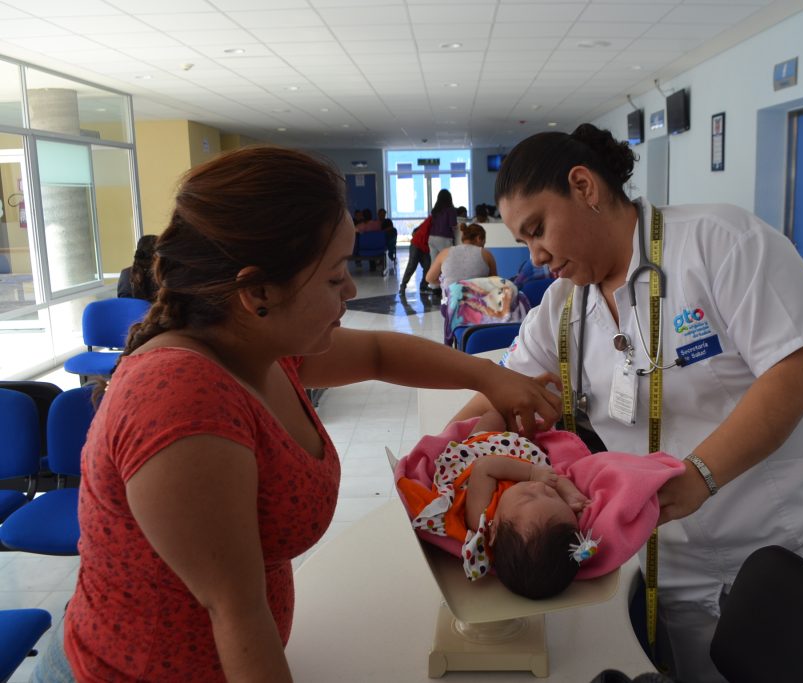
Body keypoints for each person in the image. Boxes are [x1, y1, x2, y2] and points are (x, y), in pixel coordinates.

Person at [31, 146, 561, 683]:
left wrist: (493, 378)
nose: (352, 291)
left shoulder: (256, 343)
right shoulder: (182, 403)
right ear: (257, 290)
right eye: (335, 277)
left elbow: (379, 353)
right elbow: (238, 616)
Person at [450, 124, 803, 682]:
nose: (536, 257)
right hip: (683, 560)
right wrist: (436, 464)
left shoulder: (718, 242)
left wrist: (699, 475)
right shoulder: (563, 307)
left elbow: (796, 371)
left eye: (538, 230)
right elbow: (501, 396)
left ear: (584, 186)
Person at [396, 410, 686, 599]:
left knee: (494, 417)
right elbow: (557, 479)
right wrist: (566, 491)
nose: (538, 489)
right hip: (524, 456)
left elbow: (484, 467)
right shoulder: (549, 511)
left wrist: (533, 473)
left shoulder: (480, 517)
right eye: (550, 498)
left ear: (494, 530)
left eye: (528, 496)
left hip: (484, 449)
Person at [424, 222, 496, 296]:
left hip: (451, 304)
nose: (483, 245)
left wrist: (445, 283)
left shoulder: (444, 253)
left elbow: (429, 278)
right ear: (479, 238)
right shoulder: (486, 254)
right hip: (477, 304)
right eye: (484, 242)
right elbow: (495, 282)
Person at [426, 189, 458, 291]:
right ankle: (448, 285)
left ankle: (434, 286)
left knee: (434, 262)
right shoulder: (450, 210)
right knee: (448, 262)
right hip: (444, 237)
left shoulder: (435, 210)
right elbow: (453, 225)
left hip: (432, 238)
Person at [116, 234, 158, 301]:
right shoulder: (160, 275)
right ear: (156, 254)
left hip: (129, 311)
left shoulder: (125, 273)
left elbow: (123, 304)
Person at [400, 213, 432, 294]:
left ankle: (423, 286)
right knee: (412, 265)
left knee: (427, 266)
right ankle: (403, 286)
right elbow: (417, 231)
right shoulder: (432, 220)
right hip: (417, 245)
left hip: (424, 247)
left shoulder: (434, 220)